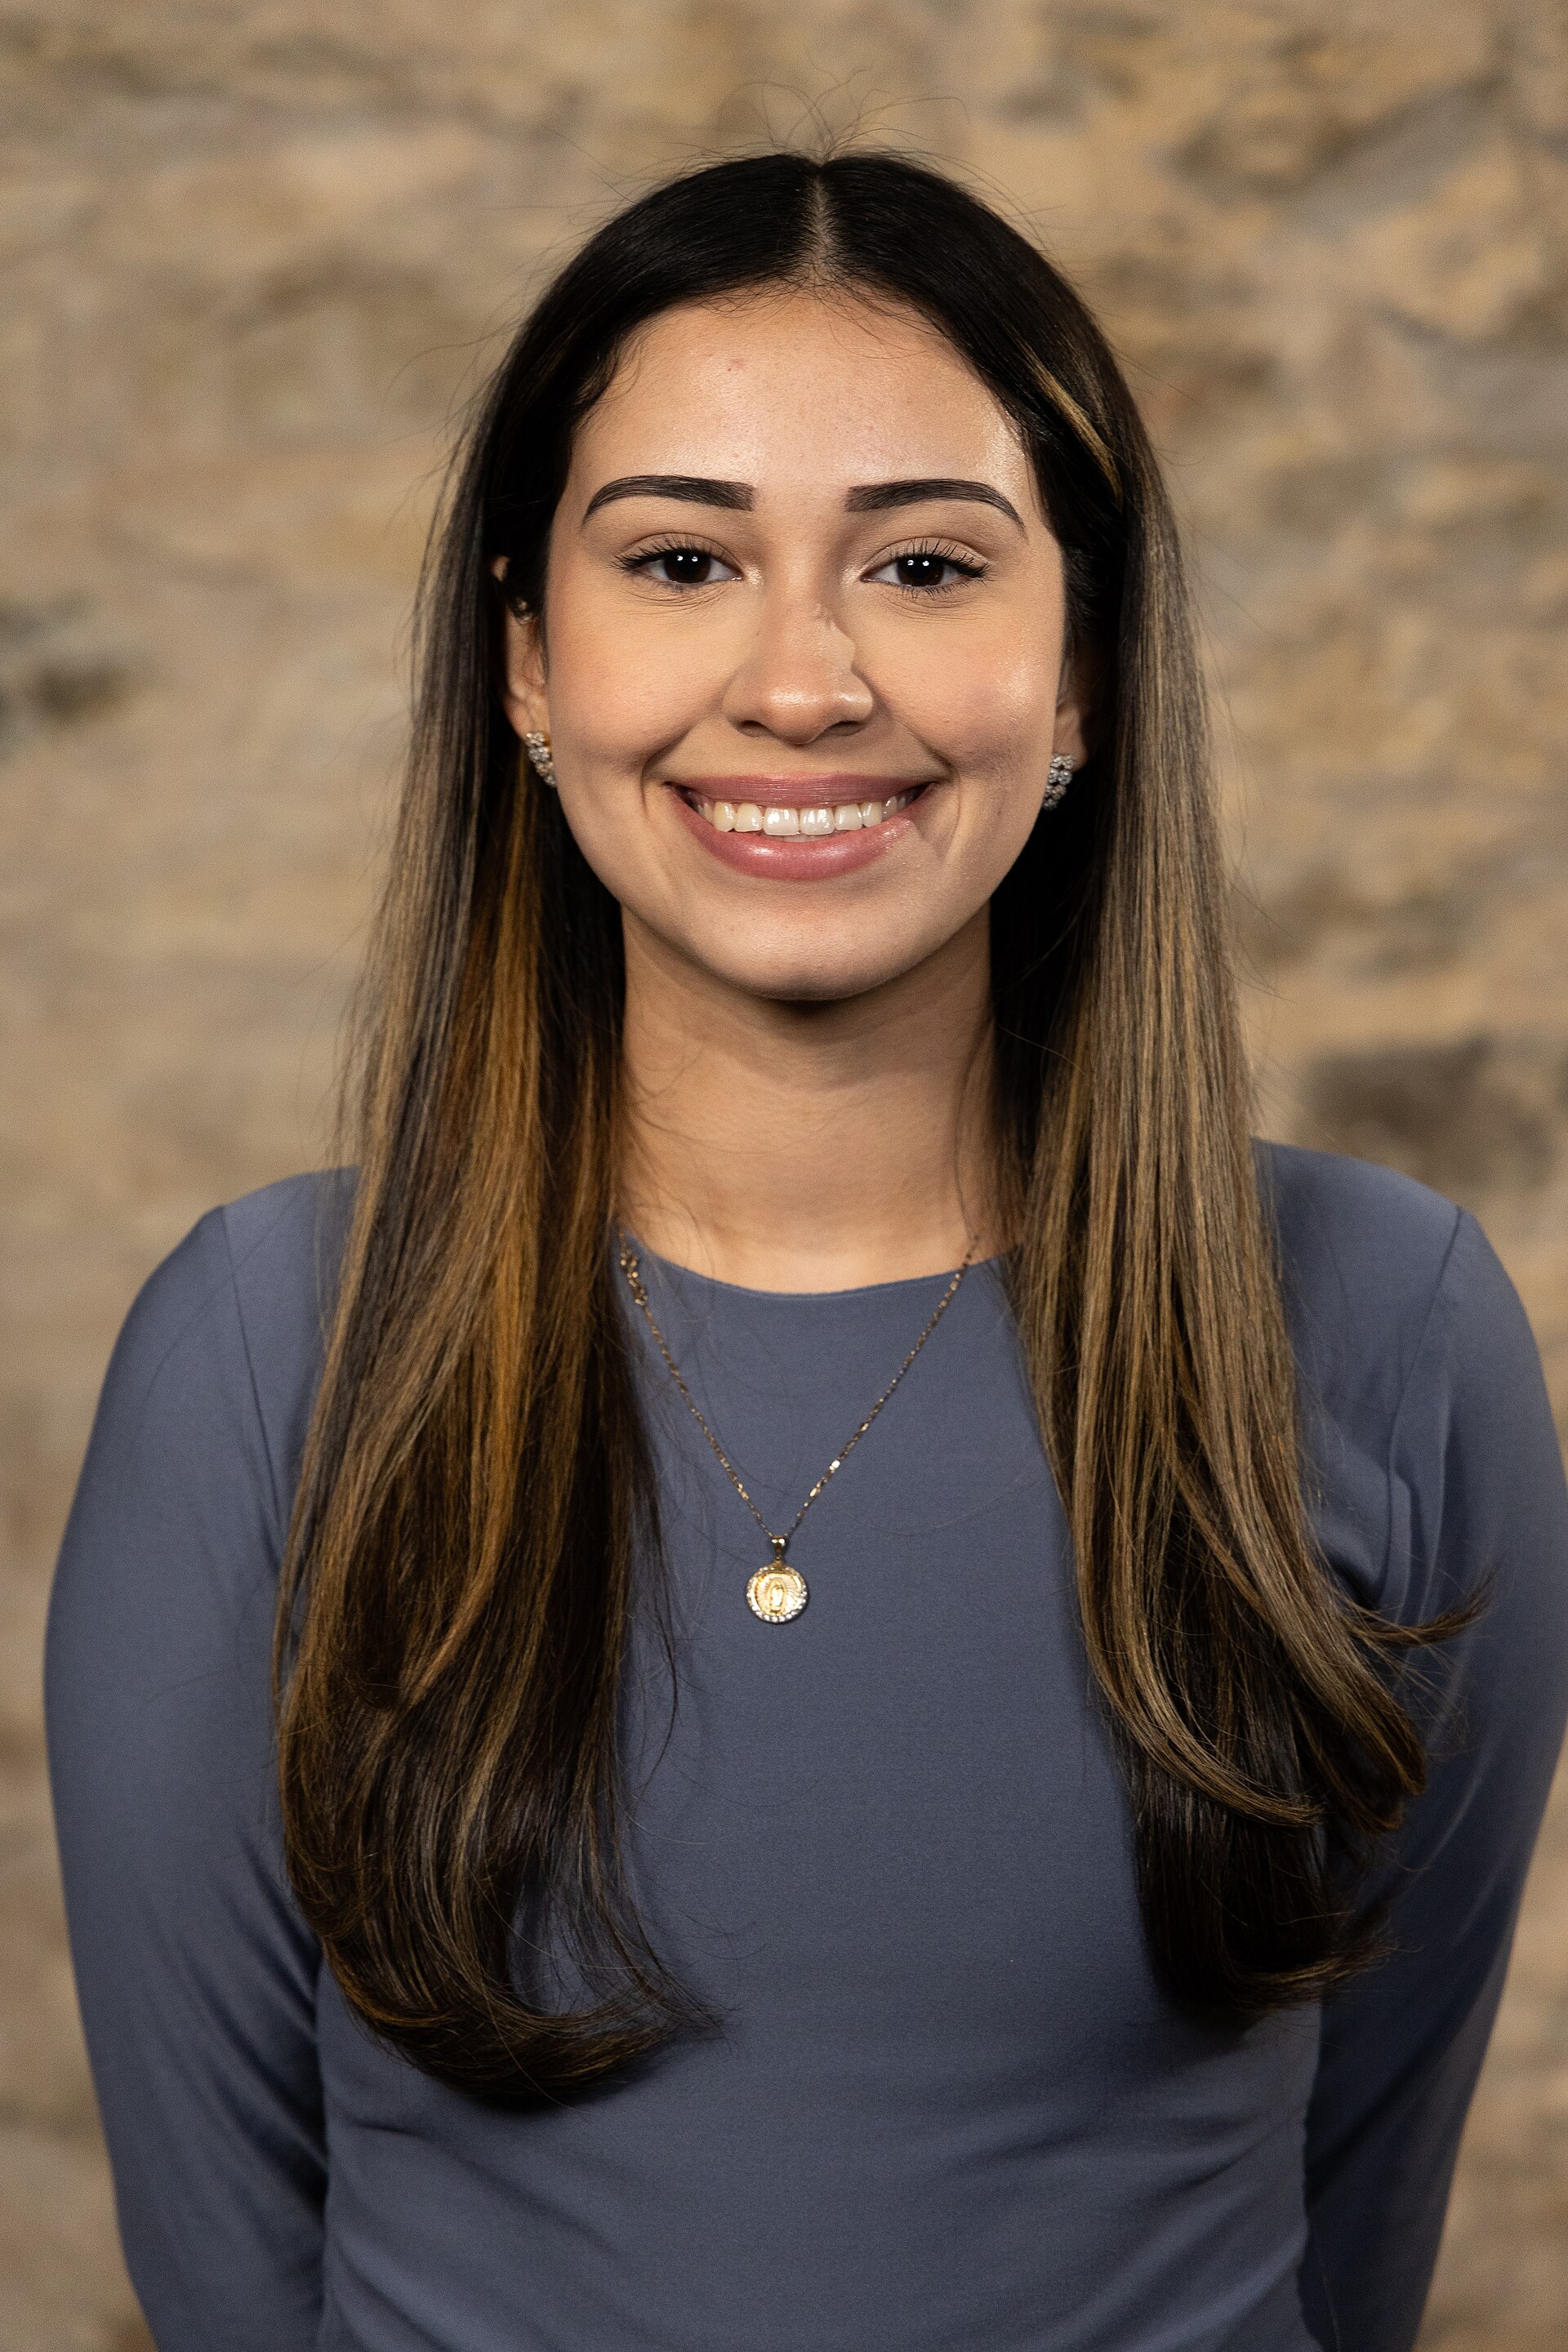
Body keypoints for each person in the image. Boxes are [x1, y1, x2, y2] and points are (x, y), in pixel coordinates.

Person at [45, 149, 1568, 2352]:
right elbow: (226, 2267)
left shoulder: (1386, 1328)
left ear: (1080, 674)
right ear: (529, 663)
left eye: (927, 564)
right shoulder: (268, 1357)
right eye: (680, 559)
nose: (801, 680)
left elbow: (1355, 2230)